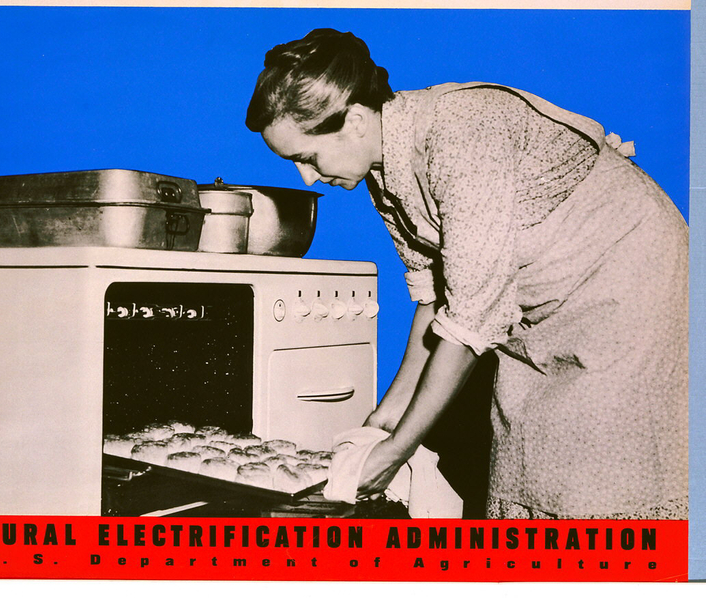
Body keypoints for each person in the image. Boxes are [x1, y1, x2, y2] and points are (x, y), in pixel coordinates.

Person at [246, 27, 688, 519]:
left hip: (627, 283)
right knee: (527, 449)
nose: (307, 177)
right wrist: (386, 418)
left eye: (306, 157)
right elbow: (436, 299)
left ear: (353, 120)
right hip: (539, 301)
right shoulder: (382, 170)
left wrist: (397, 451)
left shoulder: (460, 134)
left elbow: (470, 320)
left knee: (605, 475)